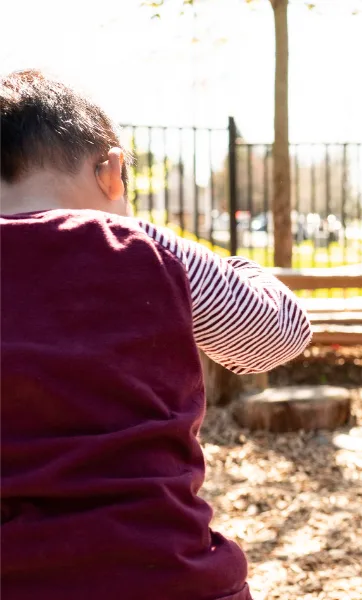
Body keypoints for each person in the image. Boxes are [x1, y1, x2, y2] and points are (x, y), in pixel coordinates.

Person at [0, 69, 312, 599]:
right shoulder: (137, 247)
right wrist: (242, 268)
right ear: (113, 172)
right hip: (162, 572)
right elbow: (276, 336)